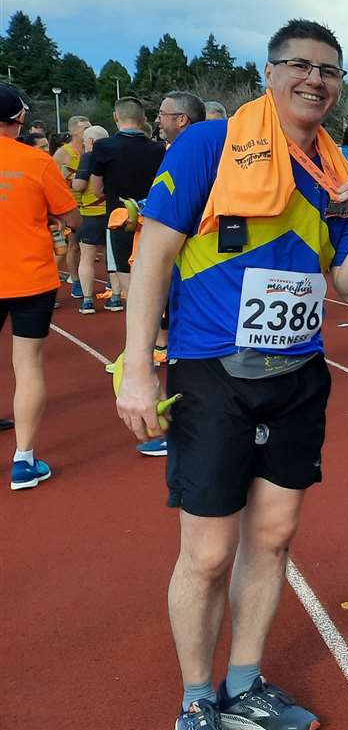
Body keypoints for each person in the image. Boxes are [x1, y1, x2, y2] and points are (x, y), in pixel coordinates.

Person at [114, 19, 348, 730]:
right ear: (268, 72)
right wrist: (139, 366)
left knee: (273, 538)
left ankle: (244, 685)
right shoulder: (208, 146)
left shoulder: (339, 171)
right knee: (206, 553)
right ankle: (196, 701)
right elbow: (153, 256)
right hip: (212, 372)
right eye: (299, 65)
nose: (315, 80)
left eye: (328, 70)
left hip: (298, 374)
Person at [1, 84, 80, 490]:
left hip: (25, 274)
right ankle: (24, 459)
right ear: (17, 120)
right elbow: (72, 218)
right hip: (28, 275)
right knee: (26, 364)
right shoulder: (36, 162)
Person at [136, 91, 206, 456]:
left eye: (163, 114)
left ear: (182, 120)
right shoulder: (166, 153)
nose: (157, 120)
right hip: (172, 263)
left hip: (196, 274)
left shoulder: (201, 152)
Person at [88, 97, 166, 313]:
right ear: (144, 119)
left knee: (126, 277)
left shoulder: (103, 147)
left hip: (120, 219)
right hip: (152, 219)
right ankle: (159, 337)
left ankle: (136, 337)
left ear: (116, 117)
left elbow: (96, 189)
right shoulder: (159, 149)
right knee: (153, 275)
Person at [70, 124, 110, 314]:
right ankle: (116, 297)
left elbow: (78, 185)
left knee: (86, 257)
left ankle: (87, 300)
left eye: (85, 140)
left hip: (92, 214)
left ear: (91, 141)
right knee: (112, 257)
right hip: (112, 212)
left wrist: (71, 181)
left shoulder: (89, 156)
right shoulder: (114, 154)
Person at [53, 115, 91, 296]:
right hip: (71, 205)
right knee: (73, 246)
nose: (88, 131)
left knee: (93, 246)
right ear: (74, 131)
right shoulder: (63, 153)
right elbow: (52, 180)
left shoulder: (92, 149)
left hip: (92, 204)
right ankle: (75, 280)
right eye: (85, 128)